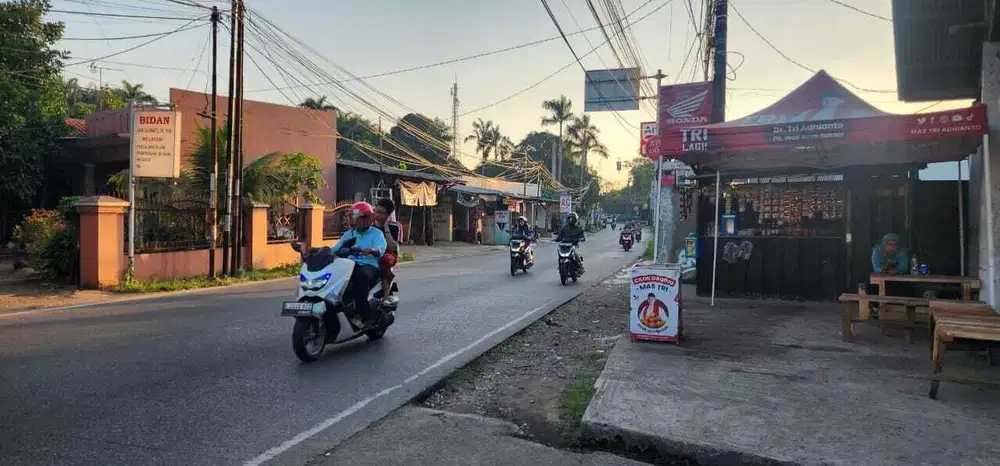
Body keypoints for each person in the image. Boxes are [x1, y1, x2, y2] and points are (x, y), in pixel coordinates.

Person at [331, 201, 387, 325]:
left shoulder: (376, 234)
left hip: (369, 265)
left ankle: (363, 312)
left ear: (368, 218)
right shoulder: (349, 234)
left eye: (359, 218)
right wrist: (320, 251)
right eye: (354, 217)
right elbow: (336, 249)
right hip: (348, 264)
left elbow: (380, 248)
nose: (356, 221)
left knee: (360, 277)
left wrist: (372, 250)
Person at [373, 198, 402, 297]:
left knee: (385, 260)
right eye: (376, 211)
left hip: (389, 254)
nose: (377, 215)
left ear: (388, 215)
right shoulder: (370, 225)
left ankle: (385, 298)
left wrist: (386, 228)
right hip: (371, 253)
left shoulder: (395, 226)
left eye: (381, 213)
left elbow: (393, 246)